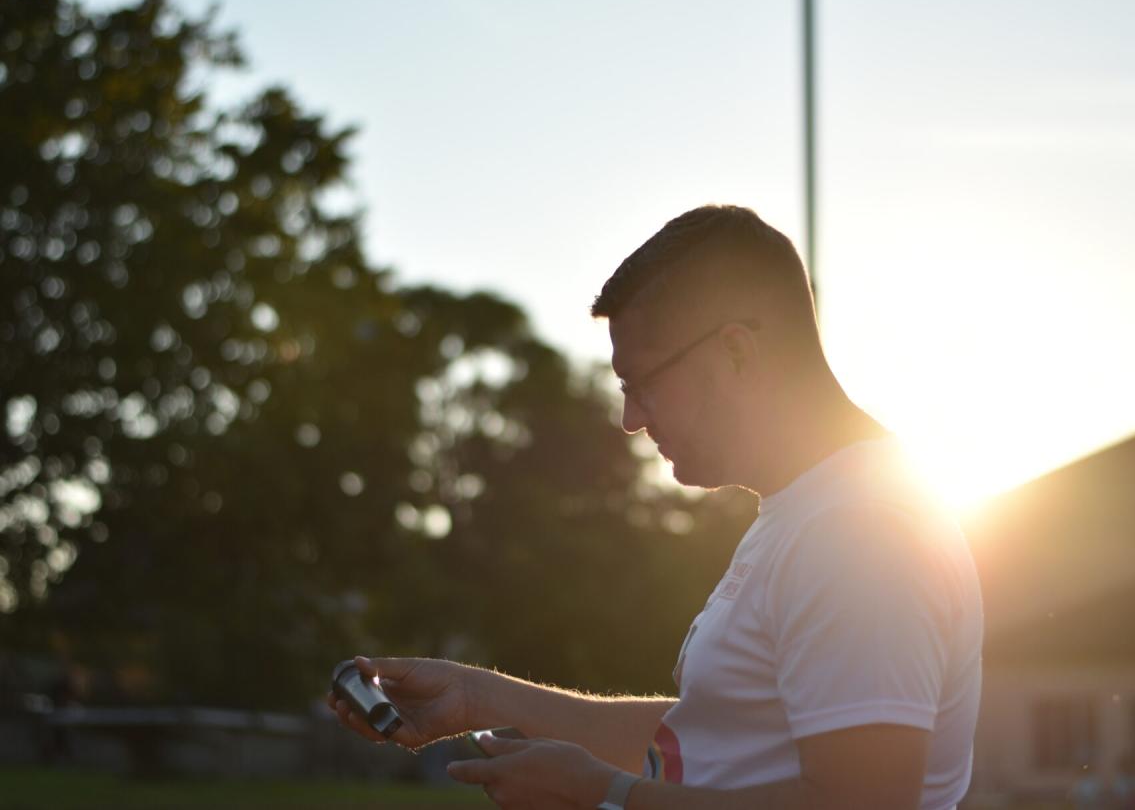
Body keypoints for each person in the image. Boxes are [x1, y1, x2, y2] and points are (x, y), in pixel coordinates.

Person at [330, 205, 985, 809]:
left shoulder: (861, 529)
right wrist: (478, 697)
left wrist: (606, 797)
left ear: (735, 350)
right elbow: (710, 738)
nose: (630, 418)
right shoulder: (814, 513)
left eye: (641, 383)